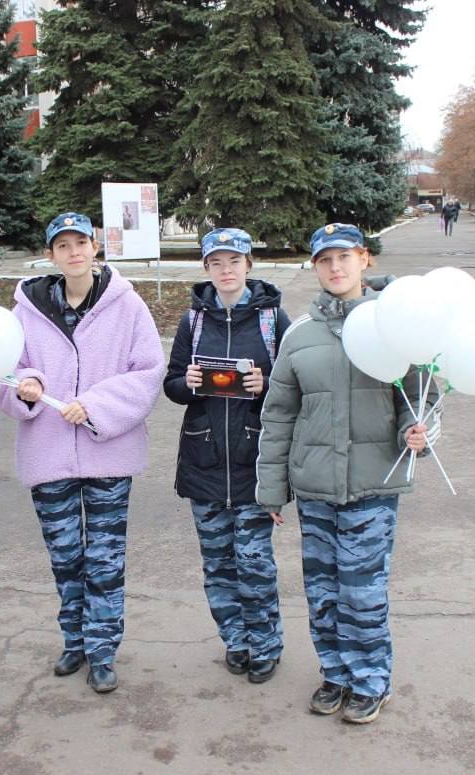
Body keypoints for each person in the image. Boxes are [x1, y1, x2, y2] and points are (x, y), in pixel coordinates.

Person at [256, 222, 435, 725]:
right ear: (315, 267)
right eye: (324, 260)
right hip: (314, 487)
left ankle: (370, 680)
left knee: (362, 590)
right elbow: (279, 415)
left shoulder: (394, 326)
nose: (335, 268)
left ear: (364, 260)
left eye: (344, 258)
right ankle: (335, 673)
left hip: (372, 484)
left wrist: (419, 434)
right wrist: (271, 489)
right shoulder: (300, 335)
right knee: (323, 590)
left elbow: (423, 398)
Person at [0, 212, 164, 694]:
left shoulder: (127, 305)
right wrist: (28, 389)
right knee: (66, 556)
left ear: (96, 248)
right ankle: (75, 639)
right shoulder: (26, 310)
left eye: (81, 243)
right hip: (48, 454)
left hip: (109, 452)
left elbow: (147, 372)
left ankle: (104, 647)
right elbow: (8, 369)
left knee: (106, 558)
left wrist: (93, 406)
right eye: (62, 245)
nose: (73, 252)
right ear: (50, 255)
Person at [163, 228, 293, 684]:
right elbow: (172, 384)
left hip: (254, 464)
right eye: (216, 263)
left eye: (234, 261)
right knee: (218, 563)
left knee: (254, 562)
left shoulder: (274, 320)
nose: (226, 271)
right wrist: (190, 382)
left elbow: (294, 384)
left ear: (249, 265)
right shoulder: (192, 322)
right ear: (206, 269)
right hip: (204, 462)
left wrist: (267, 384)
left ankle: (266, 644)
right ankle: (235, 641)